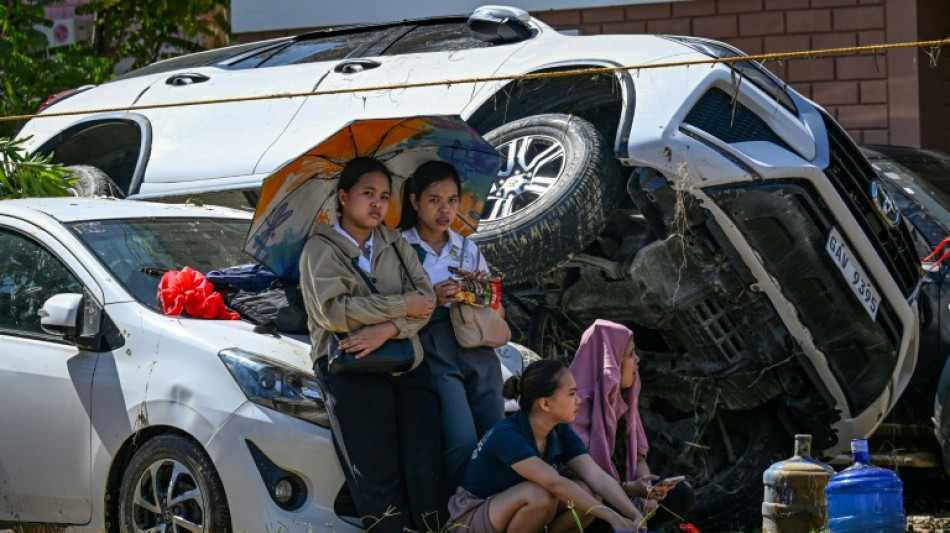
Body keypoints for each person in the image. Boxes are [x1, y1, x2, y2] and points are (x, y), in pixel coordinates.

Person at [299, 156, 443, 533]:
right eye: (367, 194)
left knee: (424, 463)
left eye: (383, 195)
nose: (378, 203)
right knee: (375, 471)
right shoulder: (320, 249)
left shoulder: (395, 243)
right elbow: (334, 312)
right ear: (344, 197)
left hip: (407, 363)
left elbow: (425, 302)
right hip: (352, 367)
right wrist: (400, 307)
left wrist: (388, 330)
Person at [397, 160, 507, 496]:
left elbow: (497, 309)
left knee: (497, 433)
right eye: (434, 200)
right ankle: (463, 516)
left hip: (478, 346)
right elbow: (391, 304)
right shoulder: (398, 247)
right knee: (460, 440)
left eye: (452, 200)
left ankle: (501, 511)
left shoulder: (467, 247)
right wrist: (433, 296)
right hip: (434, 346)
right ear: (414, 202)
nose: (445, 210)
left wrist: (481, 291)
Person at [448, 359, 647, 533]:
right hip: (472, 517)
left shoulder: (559, 431)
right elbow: (555, 484)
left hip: (511, 513)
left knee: (588, 493)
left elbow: (597, 476)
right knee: (540, 496)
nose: (579, 401)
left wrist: (635, 516)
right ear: (545, 404)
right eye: (571, 394)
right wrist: (613, 518)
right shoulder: (508, 434)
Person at [569, 319, 695, 530]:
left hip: (626, 492)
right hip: (595, 498)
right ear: (610, 363)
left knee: (681, 493)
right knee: (593, 500)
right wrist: (633, 495)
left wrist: (646, 491)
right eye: (629, 354)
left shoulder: (623, 399)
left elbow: (638, 458)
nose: (637, 360)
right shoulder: (574, 406)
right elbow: (589, 476)